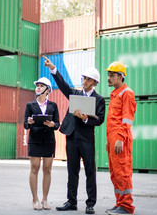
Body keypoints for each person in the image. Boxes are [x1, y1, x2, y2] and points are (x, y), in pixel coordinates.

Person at [43, 56, 105, 214]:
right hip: (72, 137)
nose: (84, 81)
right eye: (83, 78)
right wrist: (53, 69)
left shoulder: (99, 100)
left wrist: (85, 119)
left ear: (95, 83)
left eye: (88, 79)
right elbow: (63, 86)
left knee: (90, 171)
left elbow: (100, 120)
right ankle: (71, 201)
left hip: (87, 140)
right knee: (72, 171)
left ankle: (90, 203)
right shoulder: (75, 93)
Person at [105, 61, 136, 215]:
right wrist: (109, 141)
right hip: (113, 140)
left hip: (120, 140)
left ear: (121, 76)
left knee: (122, 172)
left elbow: (127, 119)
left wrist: (119, 138)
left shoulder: (127, 93)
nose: (108, 78)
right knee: (115, 173)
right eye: (108, 75)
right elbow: (113, 120)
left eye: (111, 75)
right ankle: (119, 203)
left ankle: (127, 206)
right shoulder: (115, 93)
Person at [24, 77, 60, 210]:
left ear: (47, 90)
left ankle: (45, 199)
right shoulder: (30, 105)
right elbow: (25, 124)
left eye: (41, 86)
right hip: (35, 140)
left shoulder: (53, 106)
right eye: (37, 85)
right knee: (34, 168)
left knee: (47, 169)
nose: (38, 88)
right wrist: (29, 122)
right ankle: (35, 199)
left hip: (49, 141)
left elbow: (57, 124)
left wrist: (52, 124)